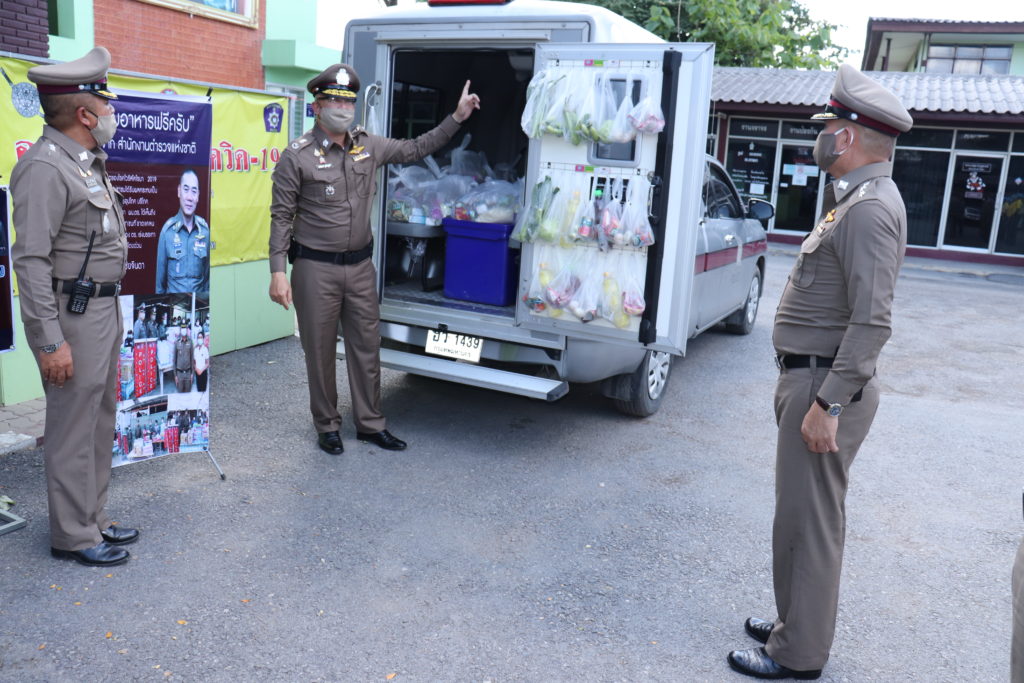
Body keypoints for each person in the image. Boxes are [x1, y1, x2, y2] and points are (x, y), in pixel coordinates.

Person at [727, 65, 913, 679]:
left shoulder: (869, 209)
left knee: (811, 524)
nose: (821, 136)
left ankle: (798, 655)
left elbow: (872, 321)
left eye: (827, 127)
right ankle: (794, 624)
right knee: (798, 517)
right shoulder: (855, 199)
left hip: (824, 385)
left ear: (848, 138)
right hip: (811, 378)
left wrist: (828, 403)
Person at [268, 63, 480, 455]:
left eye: (348, 102)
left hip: (360, 269)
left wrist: (456, 117)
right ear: (316, 106)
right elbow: (281, 217)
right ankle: (327, 426)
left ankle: (370, 424)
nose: (342, 108)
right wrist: (278, 271)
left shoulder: (368, 145)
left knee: (367, 348)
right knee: (319, 352)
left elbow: (416, 148)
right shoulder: (297, 157)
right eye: (334, 101)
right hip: (315, 269)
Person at [10, 47, 139, 567]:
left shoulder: (83, 161)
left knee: (98, 419)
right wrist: (49, 341)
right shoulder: (44, 167)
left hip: (102, 310)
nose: (112, 111)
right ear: (85, 114)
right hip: (73, 317)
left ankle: (93, 517)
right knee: (70, 427)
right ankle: (72, 535)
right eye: (105, 102)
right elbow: (30, 261)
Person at [155, 168, 210, 294]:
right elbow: (159, 286)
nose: (189, 197)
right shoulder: (167, 232)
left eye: (194, 191)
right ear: (179, 191)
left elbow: (208, 281)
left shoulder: (205, 232)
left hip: (199, 301)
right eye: (186, 190)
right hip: (174, 301)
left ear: (198, 196)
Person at [174, 322, 194, 392]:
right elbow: (174, 360)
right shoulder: (177, 342)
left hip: (188, 373)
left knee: (188, 394)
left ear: (187, 329)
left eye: (185, 328)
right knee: (180, 395)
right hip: (179, 374)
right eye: (182, 328)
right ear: (180, 330)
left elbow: (192, 358)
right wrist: (175, 375)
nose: (183, 330)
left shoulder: (190, 342)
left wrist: (192, 374)